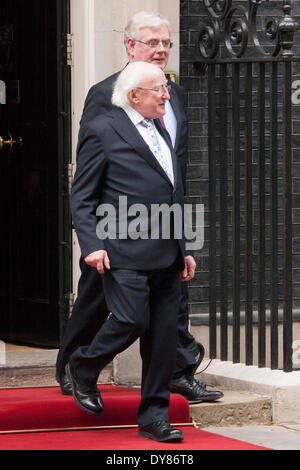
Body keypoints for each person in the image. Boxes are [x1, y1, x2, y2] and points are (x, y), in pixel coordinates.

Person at [56, 11, 223, 404]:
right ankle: (72, 367)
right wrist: (94, 234)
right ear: (131, 46)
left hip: (166, 222)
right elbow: (94, 164)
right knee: (98, 298)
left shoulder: (175, 93)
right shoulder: (105, 92)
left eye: (167, 42)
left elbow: (174, 168)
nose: (162, 49)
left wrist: (185, 235)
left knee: (174, 301)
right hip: (118, 225)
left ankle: (178, 373)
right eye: (153, 42)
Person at [66, 62, 195, 442]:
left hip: (167, 252)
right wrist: (91, 245)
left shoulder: (159, 128)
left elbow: (173, 190)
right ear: (135, 95)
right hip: (123, 248)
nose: (167, 96)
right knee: (131, 320)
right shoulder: (103, 129)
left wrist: (184, 246)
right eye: (159, 90)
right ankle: (83, 365)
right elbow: (83, 195)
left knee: (163, 338)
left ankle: (154, 418)